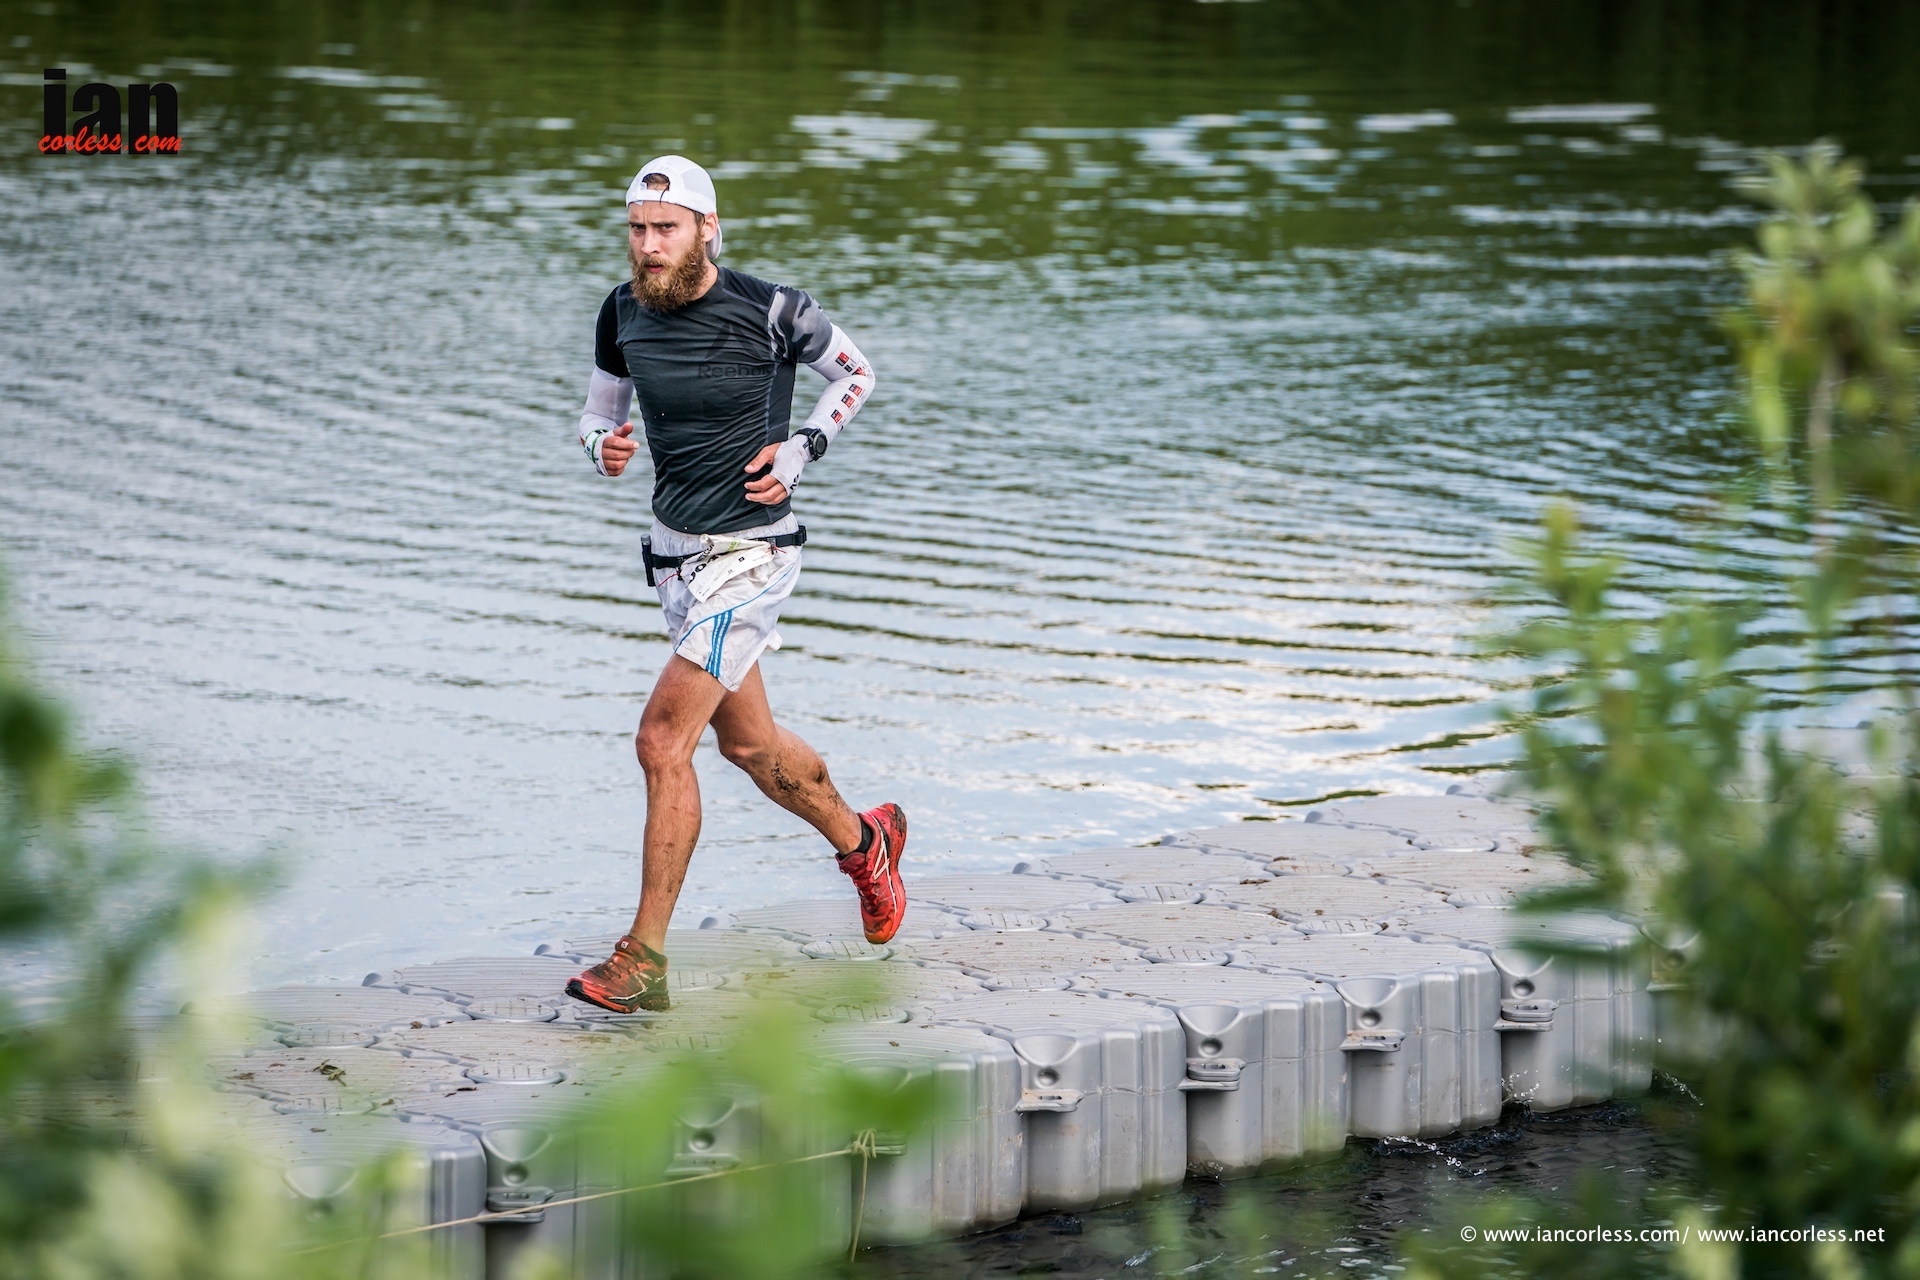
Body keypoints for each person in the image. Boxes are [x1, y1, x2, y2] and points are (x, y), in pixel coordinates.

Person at [563, 155, 906, 1014]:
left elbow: (857, 374)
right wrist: (602, 446)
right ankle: (866, 842)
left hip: (753, 555)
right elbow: (600, 412)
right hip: (673, 558)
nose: (649, 246)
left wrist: (803, 448)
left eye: (666, 229)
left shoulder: (775, 308)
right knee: (749, 746)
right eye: (638, 229)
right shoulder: (620, 311)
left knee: (661, 741)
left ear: (707, 229)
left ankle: (643, 959)